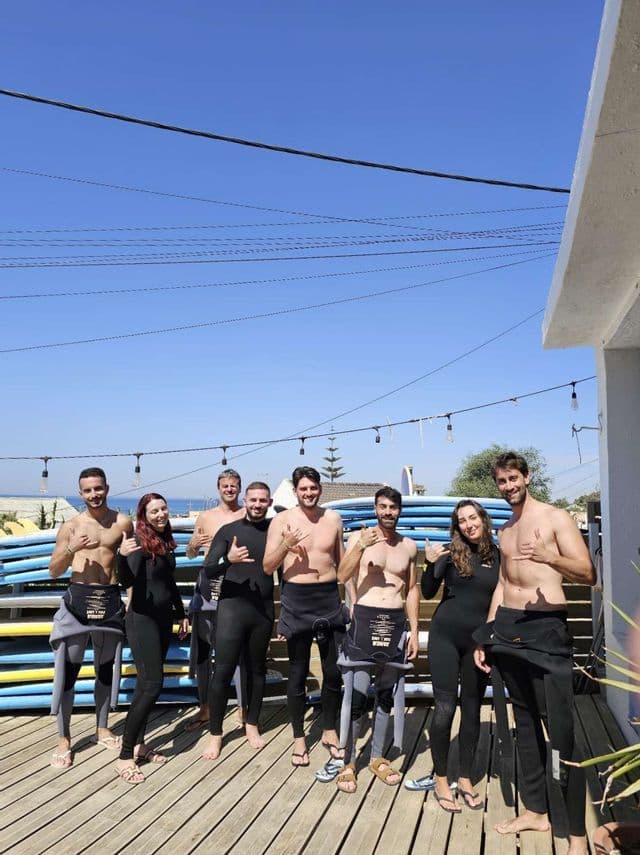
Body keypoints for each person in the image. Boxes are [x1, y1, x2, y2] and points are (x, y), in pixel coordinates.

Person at [473, 451, 596, 855]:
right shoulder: (505, 530)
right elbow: (503, 585)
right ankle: (536, 811)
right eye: (501, 482)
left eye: (513, 479)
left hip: (546, 632)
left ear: (527, 477)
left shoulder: (556, 518)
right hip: (507, 632)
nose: (508, 487)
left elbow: (588, 575)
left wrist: (550, 558)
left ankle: (576, 833)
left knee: (560, 734)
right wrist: (486, 635)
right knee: (524, 727)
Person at [407, 500, 500, 812]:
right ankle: (442, 779)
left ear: (483, 520)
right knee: (445, 707)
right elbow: (430, 590)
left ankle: (466, 778)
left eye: (473, 517)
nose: (468, 524)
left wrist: (488, 640)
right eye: (462, 520)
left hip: (478, 643)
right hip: (445, 637)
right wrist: (429, 563)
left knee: (472, 710)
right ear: (457, 525)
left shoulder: (498, 556)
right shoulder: (448, 551)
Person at [334, 486, 419, 794]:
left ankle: (377, 757)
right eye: (382, 507)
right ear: (375, 508)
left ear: (399, 510)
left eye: (392, 507)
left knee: (385, 694)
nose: (387, 512)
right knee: (356, 695)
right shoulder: (359, 538)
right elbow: (340, 576)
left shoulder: (408, 546)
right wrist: (359, 548)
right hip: (365, 620)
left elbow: (411, 589)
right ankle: (348, 761)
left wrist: (413, 629)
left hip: (395, 623)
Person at [48, 467, 132, 769]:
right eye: (87, 490)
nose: (94, 494)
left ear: (107, 488)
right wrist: (71, 548)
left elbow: (129, 563)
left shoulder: (123, 522)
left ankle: (102, 728)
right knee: (68, 671)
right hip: (78, 602)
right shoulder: (71, 526)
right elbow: (54, 570)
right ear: (81, 492)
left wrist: (132, 592)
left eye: (98, 488)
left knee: (105, 670)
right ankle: (64, 738)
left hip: (109, 600)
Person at [263, 466, 346, 766]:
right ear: (295, 491)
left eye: (313, 488)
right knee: (297, 671)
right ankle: (300, 738)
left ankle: (329, 730)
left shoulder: (333, 519)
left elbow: (342, 563)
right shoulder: (282, 521)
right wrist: (285, 545)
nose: (309, 493)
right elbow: (267, 567)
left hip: (328, 598)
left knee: (333, 671)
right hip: (297, 599)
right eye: (303, 489)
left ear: (319, 489)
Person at [115, 493, 189, 784]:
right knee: (152, 684)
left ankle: (139, 744)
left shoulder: (165, 542)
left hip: (162, 620)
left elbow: (168, 582)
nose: (160, 514)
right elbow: (127, 581)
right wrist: (121, 557)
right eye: (153, 511)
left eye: (163, 508)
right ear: (143, 515)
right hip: (141, 620)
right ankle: (124, 756)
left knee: (147, 687)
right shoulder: (137, 542)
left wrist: (181, 613)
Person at [201, 482, 274, 760]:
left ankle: (252, 724)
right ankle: (216, 734)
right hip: (232, 610)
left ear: (268, 503)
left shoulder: (273, 531)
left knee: (257, 671)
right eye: (253, 499)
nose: (257, 504)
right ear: (245, 500)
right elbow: (207, 571)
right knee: (222, 671)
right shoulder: (229, 531)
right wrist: (228, 560)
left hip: (263, 611)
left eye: (262, 500)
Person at [184, 469, 246, 732]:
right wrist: (194, 544)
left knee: (239, 652)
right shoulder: (206, 517)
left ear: (239, 488)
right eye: (225, 486)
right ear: (218, 488)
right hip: (208, 587)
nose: (229, 489)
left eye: (233, 486)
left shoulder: (247, 515)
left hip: (238, 586)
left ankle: (243, 708)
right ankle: (205, 708)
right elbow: (189, 554)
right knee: (203, 653)